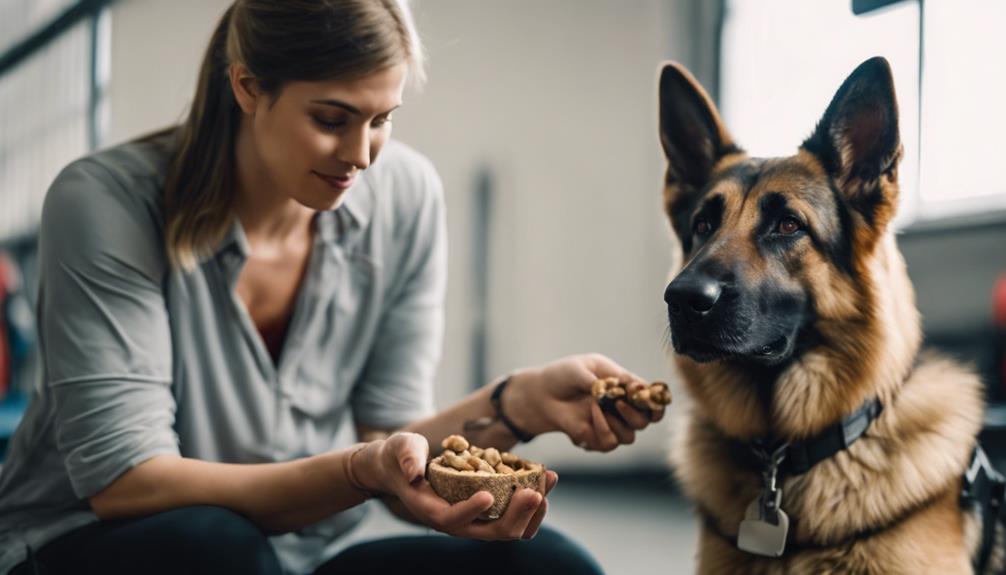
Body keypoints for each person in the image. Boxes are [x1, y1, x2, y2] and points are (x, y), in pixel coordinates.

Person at [0, 1, 665, 573]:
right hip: (91, 542)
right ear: (248, 86)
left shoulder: (404, 196)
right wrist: (356, 471)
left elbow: (392, 439)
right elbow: (129, 483)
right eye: (332, 119)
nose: (362, 155)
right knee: (219, 547)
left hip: (291, 555)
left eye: (382, 119)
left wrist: (519, 404)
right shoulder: (104, 203)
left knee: (553, 566)